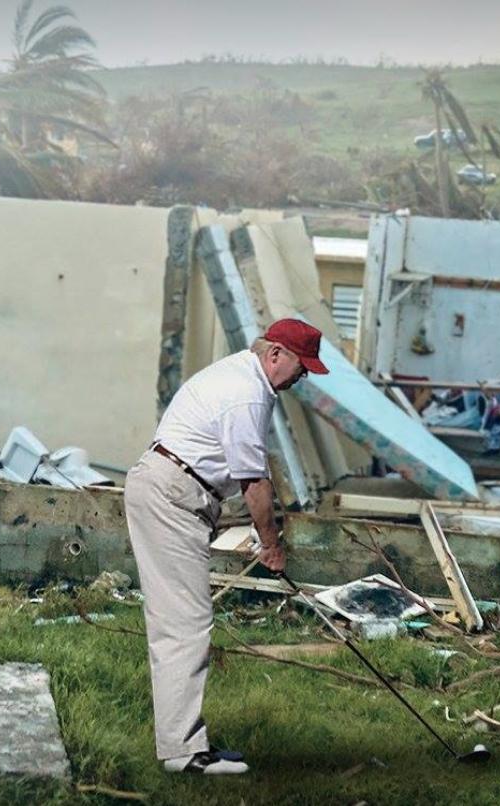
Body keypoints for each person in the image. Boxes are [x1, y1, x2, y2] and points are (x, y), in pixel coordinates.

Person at [124, 318, 329, 775]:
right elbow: (254, 481)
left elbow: (240, 474)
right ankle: (184, 755)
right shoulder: (248, 393)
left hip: (175, 489)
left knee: (181, 620)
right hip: (172, 495)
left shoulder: (242, 374)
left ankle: (185, 745)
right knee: (186, 623)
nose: (304, 377)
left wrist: (259, 529)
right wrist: (272, 547)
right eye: (301, 366)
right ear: (275, 354)